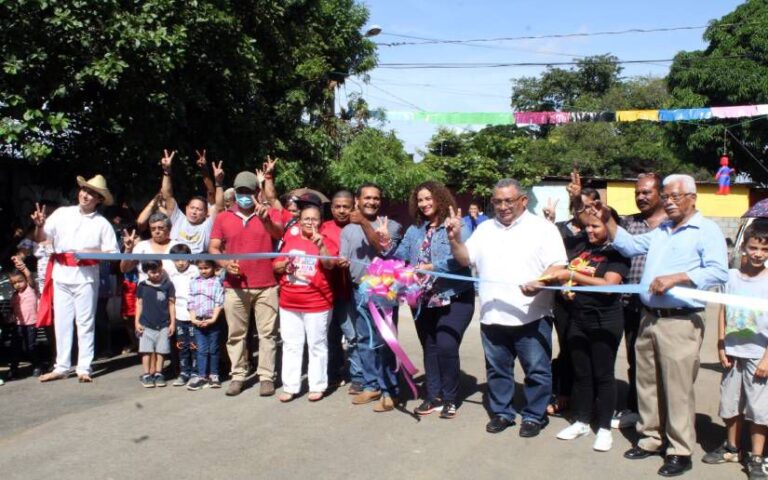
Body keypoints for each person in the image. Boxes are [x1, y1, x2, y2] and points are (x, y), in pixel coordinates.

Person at [595, 174, 728, 477]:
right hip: (649, 318)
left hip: (681, 320)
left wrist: (677, 277)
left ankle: (680, 450)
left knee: (677, 390)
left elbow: (719, 271)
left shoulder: (706, 230)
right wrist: (607, 219)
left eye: (674, 196)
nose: (667, 202)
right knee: (647, 384)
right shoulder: (662, 230)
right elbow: (628, 246)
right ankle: (651, 437)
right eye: (665, 196)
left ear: (692, 197)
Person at [446, 178, 567, 437]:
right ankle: (503, 413)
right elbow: (466, 258)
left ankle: (535, 416)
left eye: (509, 200)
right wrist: (455, 239)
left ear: (523, 201)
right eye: (498, 201)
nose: (503, 206)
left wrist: (540, 282)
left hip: (531, 315)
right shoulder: (486, 229)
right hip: (493, 315)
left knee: (536, 370)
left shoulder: (542, 229)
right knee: (497, 370)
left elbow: (559, 266)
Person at [547, 209, 629, 452]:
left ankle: (604, 428)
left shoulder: (617, 253)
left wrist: (573, 275)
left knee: (603, 375)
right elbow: (566, 272)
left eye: (596, 227)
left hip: (604, 320)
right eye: (588, 227)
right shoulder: (584, 248)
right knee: (581, 373)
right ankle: (582, 420)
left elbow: (609, 285)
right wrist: (563, 282)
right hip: (577, 318)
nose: (590, 231)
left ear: (609, 226)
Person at [395, 181, 475, 419]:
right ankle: (433, 396)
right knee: (429, 348)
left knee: (446, 345)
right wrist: (386, 244)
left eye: (429, 198)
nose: (424, 203)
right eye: (420, 200)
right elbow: (400, 258)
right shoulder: (415, 230)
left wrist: (432, 266)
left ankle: (450, 398)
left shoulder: (458, 227)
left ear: (440, 198)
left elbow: (463, 260)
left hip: (454, 296)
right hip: (423, 299)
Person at [33, 175, 119, 383]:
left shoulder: (102, 224)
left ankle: (84, 367)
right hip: (61, 273)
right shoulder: (63, 213)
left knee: (85, 322)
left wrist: (89, 251)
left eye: (92, 193)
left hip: (86, 277)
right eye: (84, 190)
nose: (86, 195)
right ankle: (61, 366)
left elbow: (113, 253)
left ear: (99, 199)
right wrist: (38, 225)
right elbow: (42, 239)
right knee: (62, 322)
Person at [702, 221, 768, 480]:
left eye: (764, 249)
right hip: (732, 352)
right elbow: (723, 311)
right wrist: (721, 343)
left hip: (758, 354)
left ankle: (756, 456)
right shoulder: (730, 277)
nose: (758, 254)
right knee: (730, 403)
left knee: (758, 408)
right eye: (753, 247)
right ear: (744, 247)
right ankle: (731, 447)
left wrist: (766, 358)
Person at [209, 170, 284, 397]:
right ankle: (238, 375)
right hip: (235, 286)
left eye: (248, 192)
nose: (244, 196)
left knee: (267, 334)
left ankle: (266, 376)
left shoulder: (269, 213)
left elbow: (279, 235)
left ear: (256, 192)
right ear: (235, 192)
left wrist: (266, 219)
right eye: (240, 192)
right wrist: (223, 263)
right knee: (236, 334)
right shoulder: (223, 217)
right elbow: (213, 247)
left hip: (266, 285)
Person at [340, 183, 403, 412]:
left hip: (383, 292)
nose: (371, 202)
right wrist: (341, 262)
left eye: (376, 198)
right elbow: (343, 259)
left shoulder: (391, 225)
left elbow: (383, 249)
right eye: (367, 197)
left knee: (386, 341)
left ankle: (390, 390)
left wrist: (365, 224)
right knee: (365, 341)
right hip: (359, 292)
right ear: (357, 200)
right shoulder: (347, 230)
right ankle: (371, 384)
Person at [613, 173, 667, 429]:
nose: (641, 197)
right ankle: (635, 408)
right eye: (637, 193)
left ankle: (662, 413)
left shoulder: (673, 225)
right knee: (636, 359)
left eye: (646, 192)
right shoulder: (628, 223)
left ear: (661, 193)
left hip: (664, 308)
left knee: (664, 363)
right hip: (628, 304)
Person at [273, 204, 337, 402]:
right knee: (291, 344)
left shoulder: (326, 241)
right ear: (299, 221)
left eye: (314, 219)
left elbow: (330, 264)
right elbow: (276, 266)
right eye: (306, 219)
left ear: (321, 222)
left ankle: (317, 385)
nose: (310, 223)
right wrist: (285, 264)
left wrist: (321, 247)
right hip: (289, 302)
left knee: (317, 345)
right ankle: (290, 386)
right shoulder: (289, 240)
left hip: (317, 303)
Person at [319, 190, 362, 390]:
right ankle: (333, 372)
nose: (342, 211)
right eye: (338, 206)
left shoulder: (359, 227)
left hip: (349, 292)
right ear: (332, 208)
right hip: (325, 292)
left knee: (352, 335)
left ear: (353, 206)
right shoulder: (323, 228)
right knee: (330, 336)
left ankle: (358, 376)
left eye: (346, 206)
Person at [157, 149, 224, 253]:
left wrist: (218, 183)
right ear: (186, 208)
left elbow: (218, 205)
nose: (194, 211)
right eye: (192, 208)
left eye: (198, 209)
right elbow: (168, 195)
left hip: (199, 266)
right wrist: (166, 171)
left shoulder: (208, 224)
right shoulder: (177, 218)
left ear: (206, 213)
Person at [135, 260, 176, 388]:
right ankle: (147, 375)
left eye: (159, 271)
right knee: (146, 351)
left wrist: (172, 323)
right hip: (146, 324)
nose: (157, 274)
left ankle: (159, 373)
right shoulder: (142, 286)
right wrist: (137, 322)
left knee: (161, 351)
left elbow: (171, 304)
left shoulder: (168, 285)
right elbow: (139, 304)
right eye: (153, 272)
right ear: (146, 272)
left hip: (163, 324)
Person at [186, 259, 224, 391]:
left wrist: (213, 318)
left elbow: (219, 301)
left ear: (213, 267)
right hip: (198, 321)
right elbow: (191, 301)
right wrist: (193, 318)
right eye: (201, 268)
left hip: (213, 321)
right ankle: (202, 376)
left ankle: (214, 375)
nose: (203, 271)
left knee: (213, 349)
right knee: (201, 350)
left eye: (206, 268)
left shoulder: (217, 282)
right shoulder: (194, 281)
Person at [167, 243, 199, 386]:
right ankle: (184, 371)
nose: (180, 263)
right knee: (182, 346)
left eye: (183, 259)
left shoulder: (195, 271)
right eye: (177, 259)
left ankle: (196, 372)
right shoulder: (170, 272)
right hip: (179, 315)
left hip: (194, 315)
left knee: (194, 345)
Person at [119, 212, 178, 284]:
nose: (157, 231)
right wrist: (128, 250)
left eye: (161, 228)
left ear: (169, 229)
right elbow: (124, 269)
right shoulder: (142, 246)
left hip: (172, 292)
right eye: (153, 229)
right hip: (146, 292)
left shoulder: (177, 246)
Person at [9, 256, 42, 378]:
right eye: (14, 283)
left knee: (31, 346)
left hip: (31, 324)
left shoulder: (31, 289)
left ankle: (38, 366)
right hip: (19, 325)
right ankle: (13, 369)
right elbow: (13, 310)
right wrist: (10, 317)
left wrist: (23, 267)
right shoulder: (14, 296)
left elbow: (29, 277)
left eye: (19, 281)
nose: (17, 285)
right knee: (16, 348)